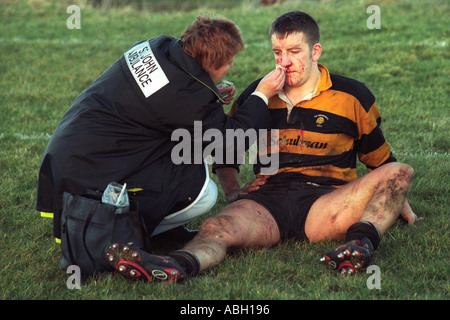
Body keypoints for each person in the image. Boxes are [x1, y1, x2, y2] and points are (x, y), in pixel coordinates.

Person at [105, 11, 421, 282]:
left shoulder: (352, 95)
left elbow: (380, 160)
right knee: (218, 225)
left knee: (400, 171)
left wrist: (395, 197)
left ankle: (359, 245)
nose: (284, 62)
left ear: (315, 51)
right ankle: (175, 266)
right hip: (268, 202)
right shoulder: (258, 94)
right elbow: (226, 151)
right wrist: (232, 191)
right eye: (277, 52)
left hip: (328, 204)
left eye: (294, 52)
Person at [36, 16, 285, 252]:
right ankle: (134, 230)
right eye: (229, 60)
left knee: (181, 148)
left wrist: (208, 90)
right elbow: (230, 138)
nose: (232, 65)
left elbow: (162, 97)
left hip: (72, 151)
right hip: (90, 170)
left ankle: (162, 231)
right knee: (200, 187)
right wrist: (262, 94)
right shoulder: (185, 98)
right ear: (210, 62)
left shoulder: (157, 45)